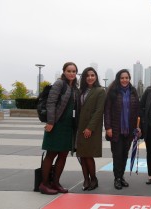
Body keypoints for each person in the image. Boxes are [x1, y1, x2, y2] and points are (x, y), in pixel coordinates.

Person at [39, 62, 80, 195]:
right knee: (51, 154)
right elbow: (51, 102)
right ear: (64, 71)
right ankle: (44, 184)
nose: (71, 73)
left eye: (74, 71)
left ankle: (56, 183)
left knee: (63, 155)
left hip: (68, 127)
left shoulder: (74, 87)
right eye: (69, 71)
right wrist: (51, 121)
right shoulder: (59, 84)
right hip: (56, 125)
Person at [104, 69, 141, 190]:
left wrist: (137, 127)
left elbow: (137, 111)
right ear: (118, 79)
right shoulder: (113, 92)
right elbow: (107, 111)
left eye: (126, 78)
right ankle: (117, 178)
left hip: (129, 130)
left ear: (129, 79)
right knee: (117, 154)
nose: (124, 80)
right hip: (116, 129)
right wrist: (108, 127)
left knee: (125, 154)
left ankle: (121, 176)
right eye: (122, 78)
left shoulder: (133, 92)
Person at [76, 67, 106, 191]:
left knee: (88, 155)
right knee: (82, 155)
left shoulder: (100, 91)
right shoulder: (80, 91)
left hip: (91, 128)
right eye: (87, 75)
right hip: (80, 127)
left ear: (96, 77)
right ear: (84, 77)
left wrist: (90, 128)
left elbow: (99, 111)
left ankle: (93, 178)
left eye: (92, 75)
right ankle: (86, 179)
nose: (90, 77)